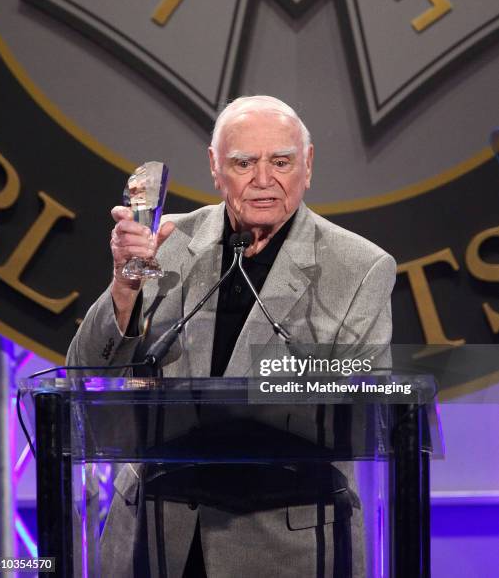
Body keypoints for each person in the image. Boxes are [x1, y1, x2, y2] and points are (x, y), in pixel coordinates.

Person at [67, 95, 396, 577]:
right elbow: (85, 372)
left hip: (282, 545)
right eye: (244, 163)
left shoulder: (360, 267)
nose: (264, 180)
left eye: (281, 161)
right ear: (215, 168)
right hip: (155, 535)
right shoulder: (168, 244)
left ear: (308, 165)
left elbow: (357, 405)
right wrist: (125, 285)